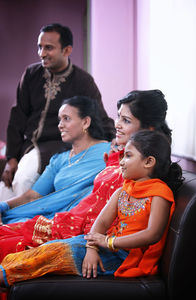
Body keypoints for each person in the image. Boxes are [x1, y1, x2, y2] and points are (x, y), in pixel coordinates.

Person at [0, 89, 172, 261]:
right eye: (118, 117)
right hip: (68, 222)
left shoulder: (135, 169)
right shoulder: (112, 157)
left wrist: (95, 244)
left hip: (78, 231)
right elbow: (34, 195)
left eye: (125, 120)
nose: (117, 124)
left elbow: (139, 228)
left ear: (86, 122)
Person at [0, 130, 184, 287]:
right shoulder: (122, 190)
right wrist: (92, 248)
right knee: (47, 248)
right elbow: (101, 222)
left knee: (54, 254)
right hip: (103, 247)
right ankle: (4, 274)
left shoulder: (160, 193)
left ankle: (4, 276)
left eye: (128, 155)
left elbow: (153, 233)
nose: (120, 161)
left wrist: (108, 243)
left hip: (123, 256)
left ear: (148, 162)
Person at [0, 23, 115, 200]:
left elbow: (99, 117)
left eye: (49, 48)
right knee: (7, 187)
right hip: (30, 145)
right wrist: (11, 158)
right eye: (40, 47)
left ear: (67, 50)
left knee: (23, 180)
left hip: (61, 145)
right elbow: (18, 116)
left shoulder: (83, 81)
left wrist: (115, 141)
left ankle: (23, 226)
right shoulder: (31, 74)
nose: (42, 53)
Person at [0, 96, 111, 227]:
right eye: (60, 120)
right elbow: (32, 196)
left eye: (66, 119)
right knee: (12, 224)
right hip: (55, 220)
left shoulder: (109, 151)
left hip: (86, 222)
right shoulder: (58, 160)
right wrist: (3, 205)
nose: (60, 125)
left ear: (86, 122)